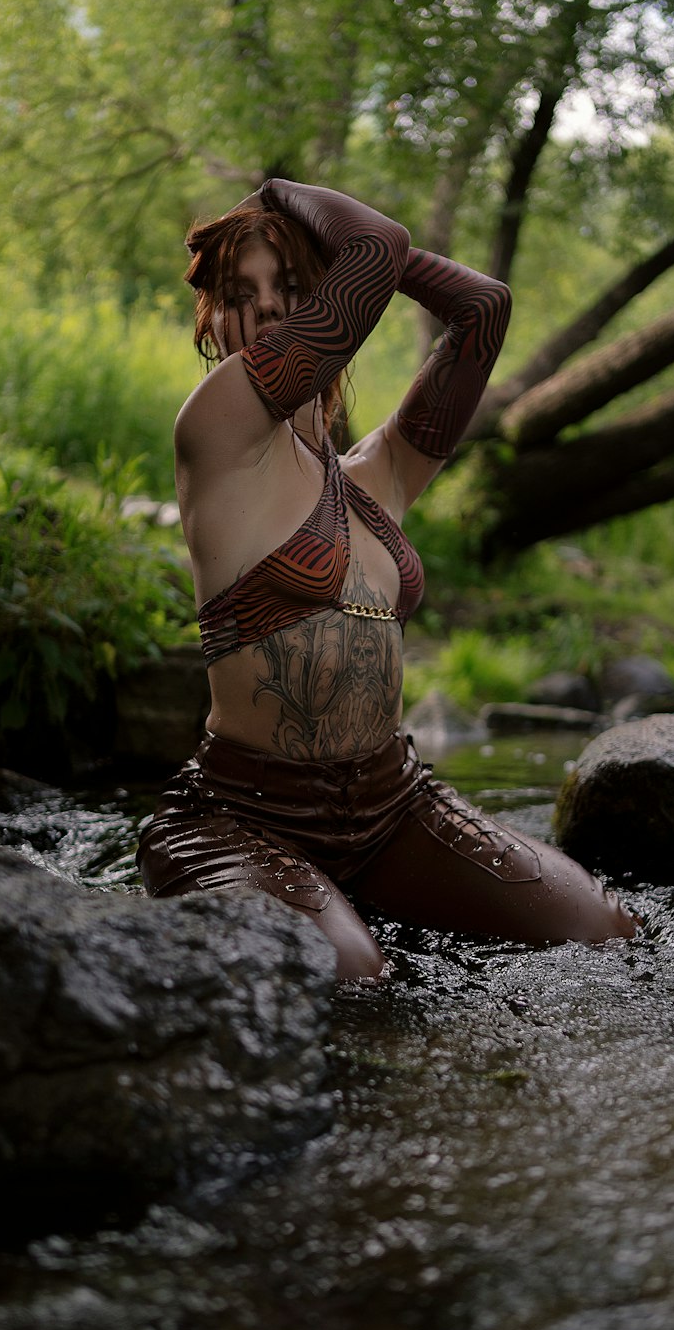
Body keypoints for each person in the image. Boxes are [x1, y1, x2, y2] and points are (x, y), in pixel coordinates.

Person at [137, 179, 637, 977]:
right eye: (241, 294)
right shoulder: (217, 428)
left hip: (394, 803)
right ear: (214, 323)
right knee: (352, 983)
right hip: (240, 815)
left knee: (606, 936)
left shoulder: (381, 476)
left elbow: (483, 308)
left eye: (291, 287)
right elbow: (375, 244)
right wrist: (295, 207)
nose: (266, 308)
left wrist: (297, 213)